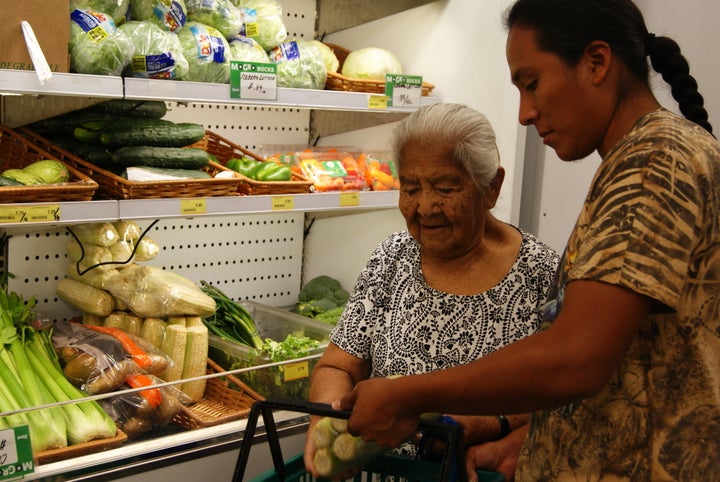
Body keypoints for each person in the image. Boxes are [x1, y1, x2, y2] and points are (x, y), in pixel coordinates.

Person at [333, 1, 720, 481]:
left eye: (531, 83)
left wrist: (408, 392)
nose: (524, 113)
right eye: (411, 187)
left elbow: (576, 358)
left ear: (597, 63)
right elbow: (627, 364)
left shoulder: (654, 159)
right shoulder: (643, 157)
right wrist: (522, 438)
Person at [303, 103, 559, 480]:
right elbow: (338, 366)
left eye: (444, 187)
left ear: (491, 187)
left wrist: (504, 432)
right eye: (410, 188)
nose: (424, 206)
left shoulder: (542, 275)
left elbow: (567, 397)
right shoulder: (391, 259)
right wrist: (328, 428)